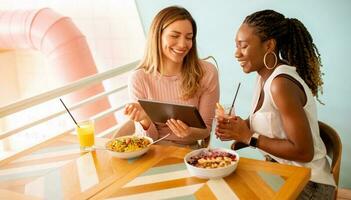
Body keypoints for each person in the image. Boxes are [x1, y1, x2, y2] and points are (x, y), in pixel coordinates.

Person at [215, 10, 335, 199]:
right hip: (279, 171)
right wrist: (236, 129)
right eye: (236, 46)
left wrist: (248, 137)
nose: (236, 53)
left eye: (243, 46)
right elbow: (268, 120)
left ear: (269, 45)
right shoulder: (263, 76)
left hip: (309, 185)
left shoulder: (280, 84)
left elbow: (304, 151)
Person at [121, 6, 219, 148]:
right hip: (153, 152)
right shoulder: (139, 78)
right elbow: (149, 140)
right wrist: (144, 119)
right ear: (157, 36)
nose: (182, 44)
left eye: (189, 38)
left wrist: (189, 132)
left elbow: (206, 130)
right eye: (174, 36)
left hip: (188, 153)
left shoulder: (207, 72)